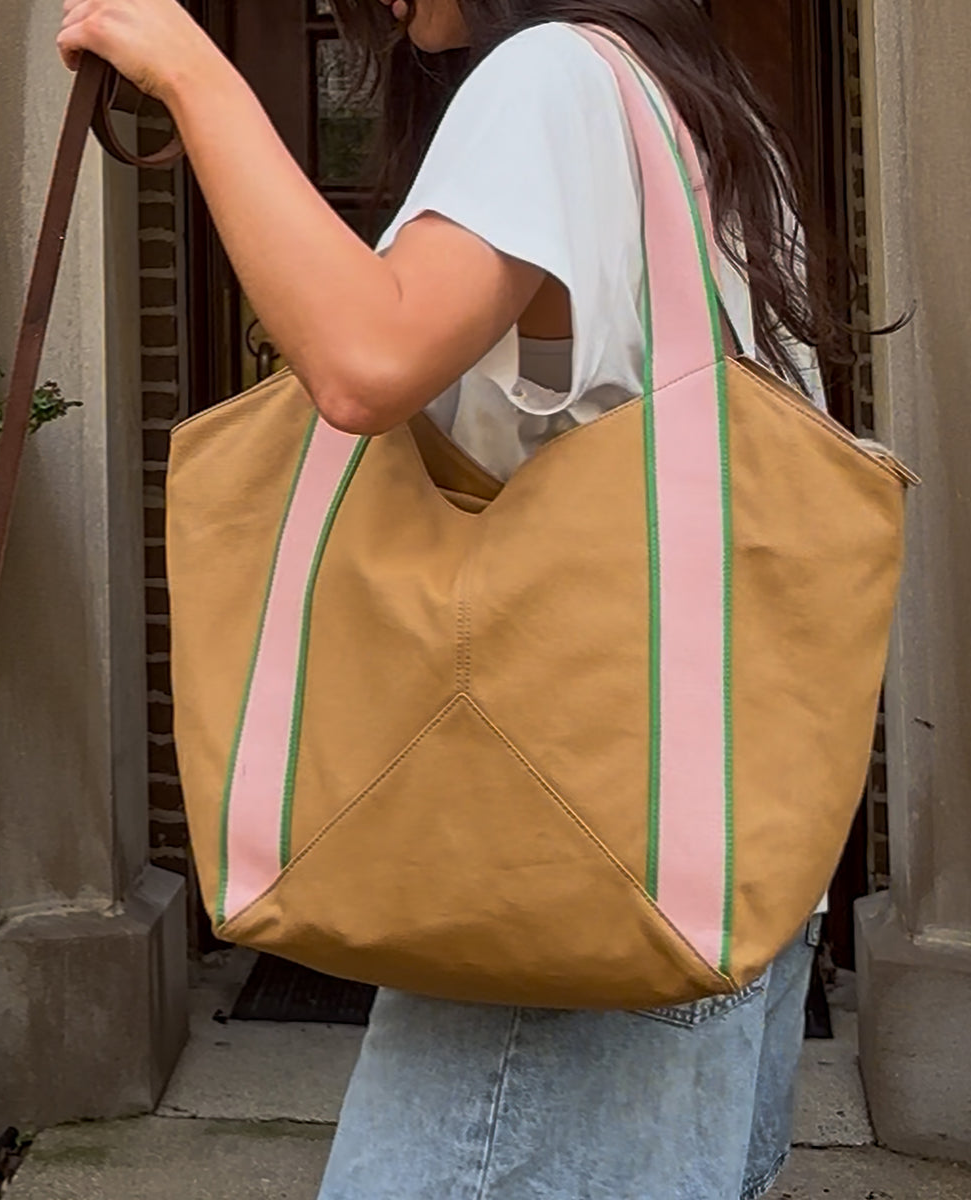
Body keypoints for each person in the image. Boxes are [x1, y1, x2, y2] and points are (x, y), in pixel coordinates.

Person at [58, 1, 847, 1195]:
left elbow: (368, 361)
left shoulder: (552, 79)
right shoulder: (696, 105)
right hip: (721, 844)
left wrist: (188, 69)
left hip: (567, 872)